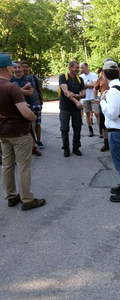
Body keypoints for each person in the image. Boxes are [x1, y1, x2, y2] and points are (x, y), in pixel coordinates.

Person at [0, 54, 46, 210]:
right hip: (19, 133)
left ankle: (11, 196)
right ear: (7, 68)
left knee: (7, 165)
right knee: (24, 166)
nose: (14, 68)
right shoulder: (11, 87)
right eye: (12, 66)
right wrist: (33, 117)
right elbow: (26, 113)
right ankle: (27, 199)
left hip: (3, 134)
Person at [100, 60, 120, 203]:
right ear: (118, 72)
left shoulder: (113, 91)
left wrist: (102, 101)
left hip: (117, 131)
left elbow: (112, 114)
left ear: (104, 74)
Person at [11, 61, 42, 156]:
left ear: (22, 69)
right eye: (15, 67)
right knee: (15, 130)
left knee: (30, 129)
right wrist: (23, 89)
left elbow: (30, 92)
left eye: (19, 67)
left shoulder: (27, 78)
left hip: (28, 107)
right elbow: (9, 93)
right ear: (12, 69)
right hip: (14, 109)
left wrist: (14, 89)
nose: (17, 69)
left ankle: (33, 148)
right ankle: (16, 151)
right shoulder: (10, 79)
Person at [59, 61, 85, 157]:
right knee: (64, 129)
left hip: (76, 109)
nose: (78, 69)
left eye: (78, 67)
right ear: (70, 68)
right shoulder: (63, 77)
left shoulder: (80, 79)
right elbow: (66, 92)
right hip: (65, 108)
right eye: (76, 67)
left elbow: (83, 94)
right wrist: (77, 101)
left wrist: (75, 95)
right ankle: (66, 148)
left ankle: (76, 148)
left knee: (77, 128)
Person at [21, 61, 44, 149]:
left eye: (27, 67)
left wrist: (41, 101)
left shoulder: (34, 77)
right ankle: (30, 143)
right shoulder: (19, 78)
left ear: (29, 68)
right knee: (27, 125)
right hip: (25, 105)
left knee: (38, 123)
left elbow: (39, 89)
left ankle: (38, 141)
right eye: (23, 67)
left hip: (36, 104)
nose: (25, 68)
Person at [80, 62, 98, 137]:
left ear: (87, 67)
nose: (81, 69)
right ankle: (90, 130)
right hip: (85, 98)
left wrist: (85, 85)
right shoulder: (80, 77)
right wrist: (89, 85)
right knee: (87, 114)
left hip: (93, 97)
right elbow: (80, 87)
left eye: (82, 67)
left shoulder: (93, 75)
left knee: (97, 113)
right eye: (80, 68)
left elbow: (95, 85)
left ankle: (100, 130)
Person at [94, 67, 110, 151]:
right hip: (103, 103)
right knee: (104, 124)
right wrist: (95, 98)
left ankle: (113, 143)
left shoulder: (115, 77)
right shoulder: (101, 78)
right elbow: (95, 88)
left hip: (113, 103)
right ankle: (106, 143)